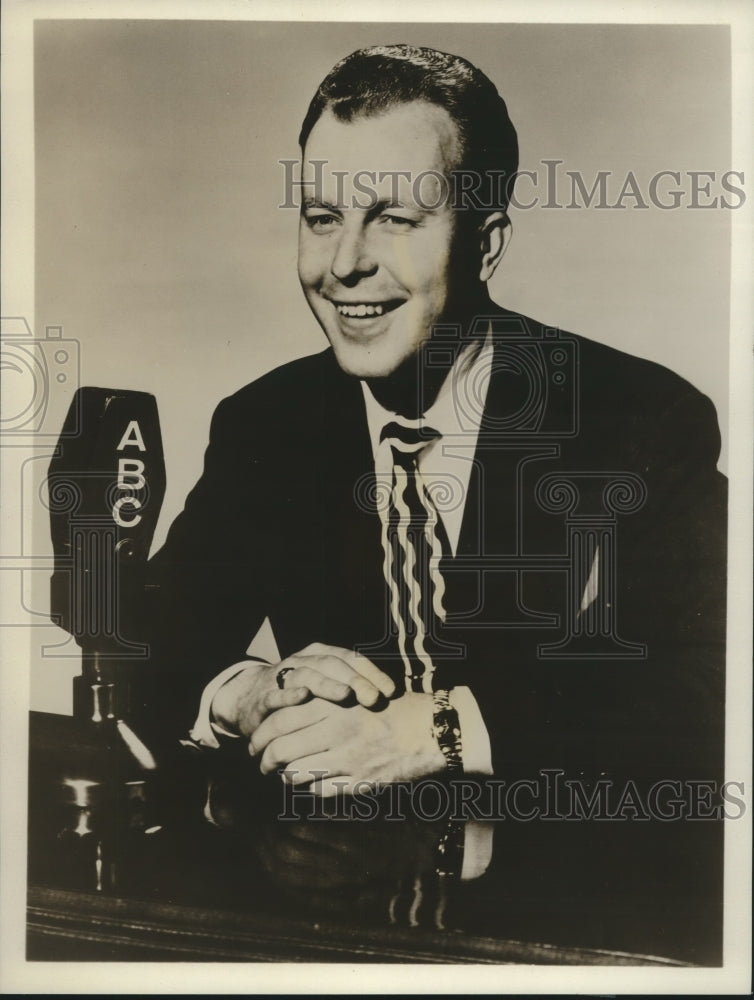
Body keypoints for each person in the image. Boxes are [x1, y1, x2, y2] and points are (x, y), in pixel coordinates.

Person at [147, 45, 726, 801]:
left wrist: (435, 732)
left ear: (485, 243)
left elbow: (715, 683)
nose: (345, 264)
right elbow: (138, 638)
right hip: (328, 897)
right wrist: (246, 695)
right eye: (323, 218)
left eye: (394, 219)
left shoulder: (639, 417)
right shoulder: (268, 423)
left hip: (558, 897)